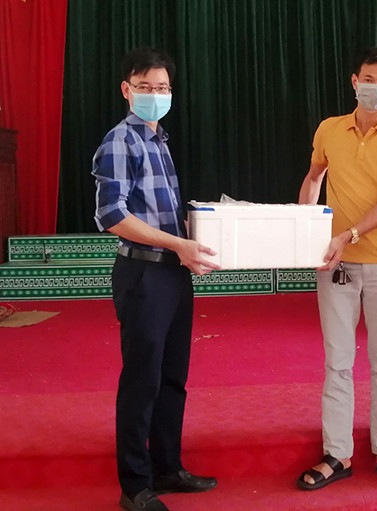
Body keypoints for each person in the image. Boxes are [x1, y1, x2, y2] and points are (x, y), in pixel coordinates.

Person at [92, 47, 220, 511]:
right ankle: (135, 485)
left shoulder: (158, 140)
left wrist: (198, 238)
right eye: (145, 87)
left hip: (171, 271)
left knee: (172, 377)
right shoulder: (120, 141)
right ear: (127, 90)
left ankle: (168, 467)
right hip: (143, 272)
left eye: (162, 88)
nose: (155, 94)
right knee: (142, 380)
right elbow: (112, 215)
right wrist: (177, 245)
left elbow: (163, 213)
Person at [296, 47, 377, 491]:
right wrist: (306, 231)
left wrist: (347, 235)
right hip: (336, 264)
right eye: (368, 79)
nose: (376, 87)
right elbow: (314, 177)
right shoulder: (329, 129)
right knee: (338, 361)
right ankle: (337, 453)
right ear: (354, 81)